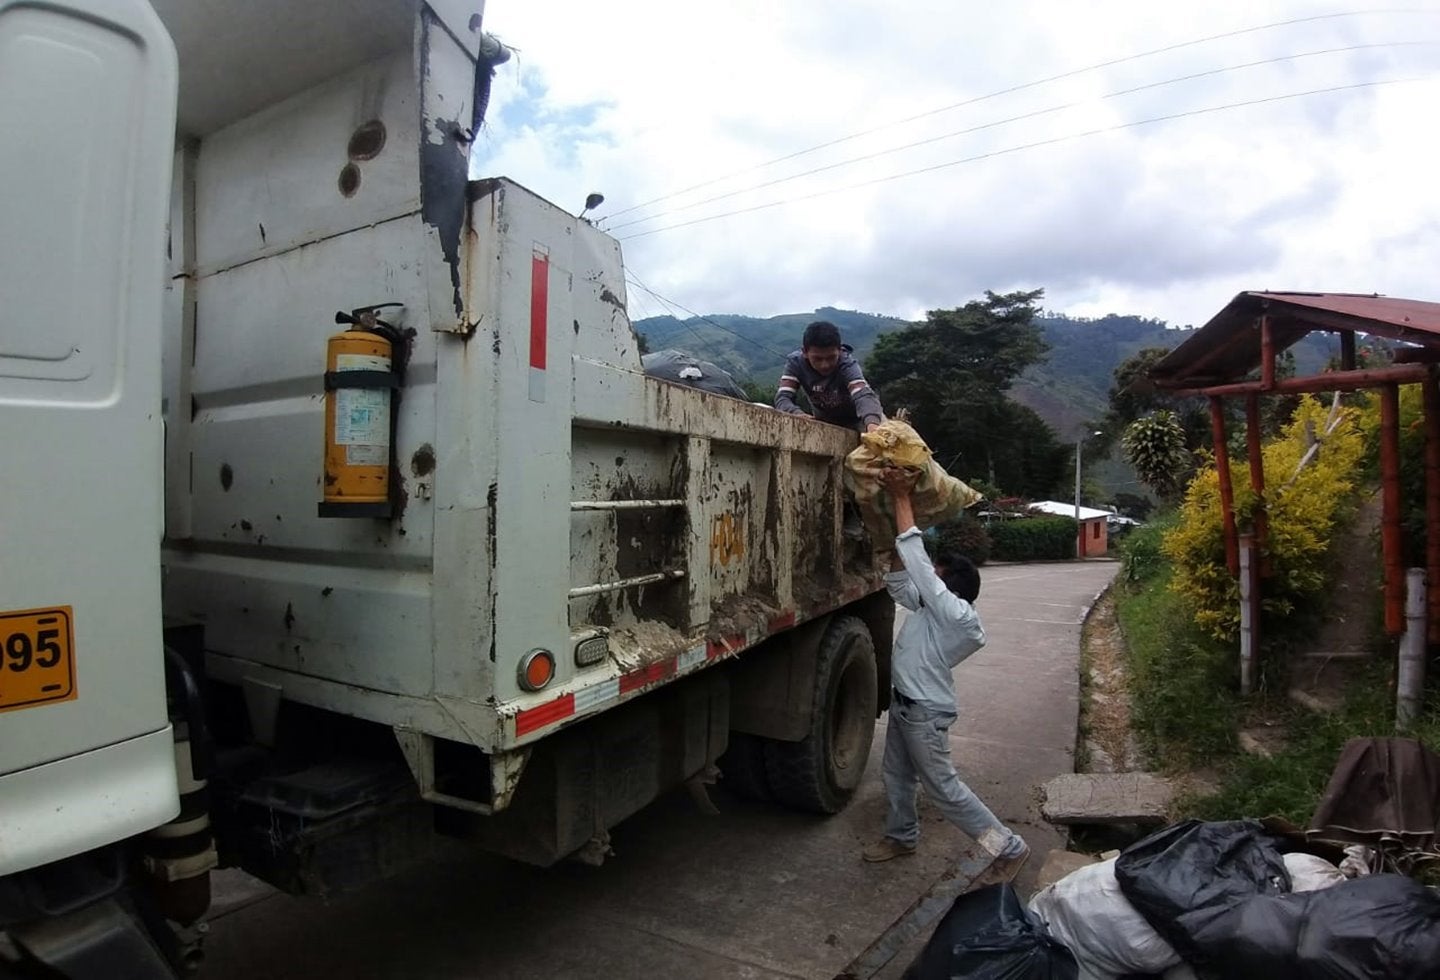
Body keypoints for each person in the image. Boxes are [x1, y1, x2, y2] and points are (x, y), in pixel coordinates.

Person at [862, 466, 1029, 870]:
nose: (929, 581)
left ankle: (1006, 846)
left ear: (950, 585)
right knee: (897, 777)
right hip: (905, 707)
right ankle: (902, 837)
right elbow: (904, 584)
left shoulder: (955, 615)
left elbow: (921, 571)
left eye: (937, 577)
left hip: (923, 714)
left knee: (943, 788)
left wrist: (903, 499)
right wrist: (892, 543)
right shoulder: (932, 611)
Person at [775, 320, 884, 432]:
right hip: (825, 422)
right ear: (805, 352)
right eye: (817, 359)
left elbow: (863, 395)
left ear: (840, 351)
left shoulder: (847, 365)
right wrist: (796, 414)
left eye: (831, 357)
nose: (825, 365)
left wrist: (873, 424)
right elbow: (783, 398)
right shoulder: (795, 363)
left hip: (861, 420)